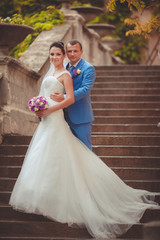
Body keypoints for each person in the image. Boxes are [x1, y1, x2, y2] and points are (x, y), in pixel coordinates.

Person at [9, 40, 160, 240]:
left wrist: (58, 103)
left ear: (79, 51)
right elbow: (44, 93)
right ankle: (50, 198)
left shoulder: (81, 70)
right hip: (53, 120)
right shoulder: (60, 70)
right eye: (54, 54)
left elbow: (80, 92)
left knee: (82, 158)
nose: (60, 56)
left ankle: (90, 195)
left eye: (63, 53)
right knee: (55, 158)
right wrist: (38, 108)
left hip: (76, 116)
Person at [50, 40, 96, 150]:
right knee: (67, 151)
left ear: (81, 52)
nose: (72, 54)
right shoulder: (63, 67)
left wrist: (65, 97)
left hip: (80, 117)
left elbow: (85, 89)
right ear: (66, 52)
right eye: (69, 51)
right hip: (63, 117)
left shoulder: (88, 68)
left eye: (75, 51)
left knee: (84, 149)